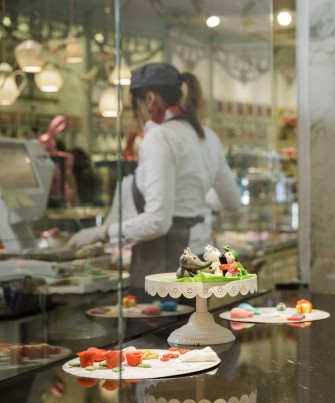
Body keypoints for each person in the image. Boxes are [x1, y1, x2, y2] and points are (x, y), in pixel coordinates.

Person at [68, 62, 241, 300]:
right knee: (192, 334)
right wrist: (195, 199)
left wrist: (102, 231)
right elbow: (232, 200)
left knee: (153, 336)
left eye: (134, 106)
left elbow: (158, 221)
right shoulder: (207, 136)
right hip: (200, 256)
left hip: (165, 264)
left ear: (149, 99)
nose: (135, 115)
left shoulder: (160, 137)